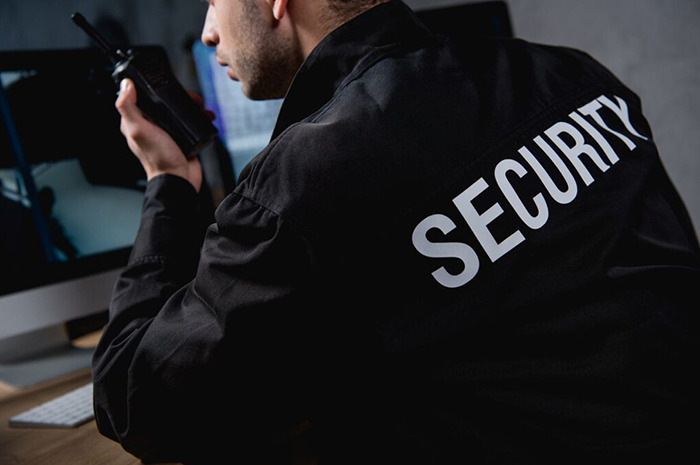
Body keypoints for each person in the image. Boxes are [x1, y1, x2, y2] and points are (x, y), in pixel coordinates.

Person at [93, 0, 700, 463]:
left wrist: (169, 183)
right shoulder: (571, 76)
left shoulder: (299, 185)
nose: (207, 32)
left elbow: (136, 402)